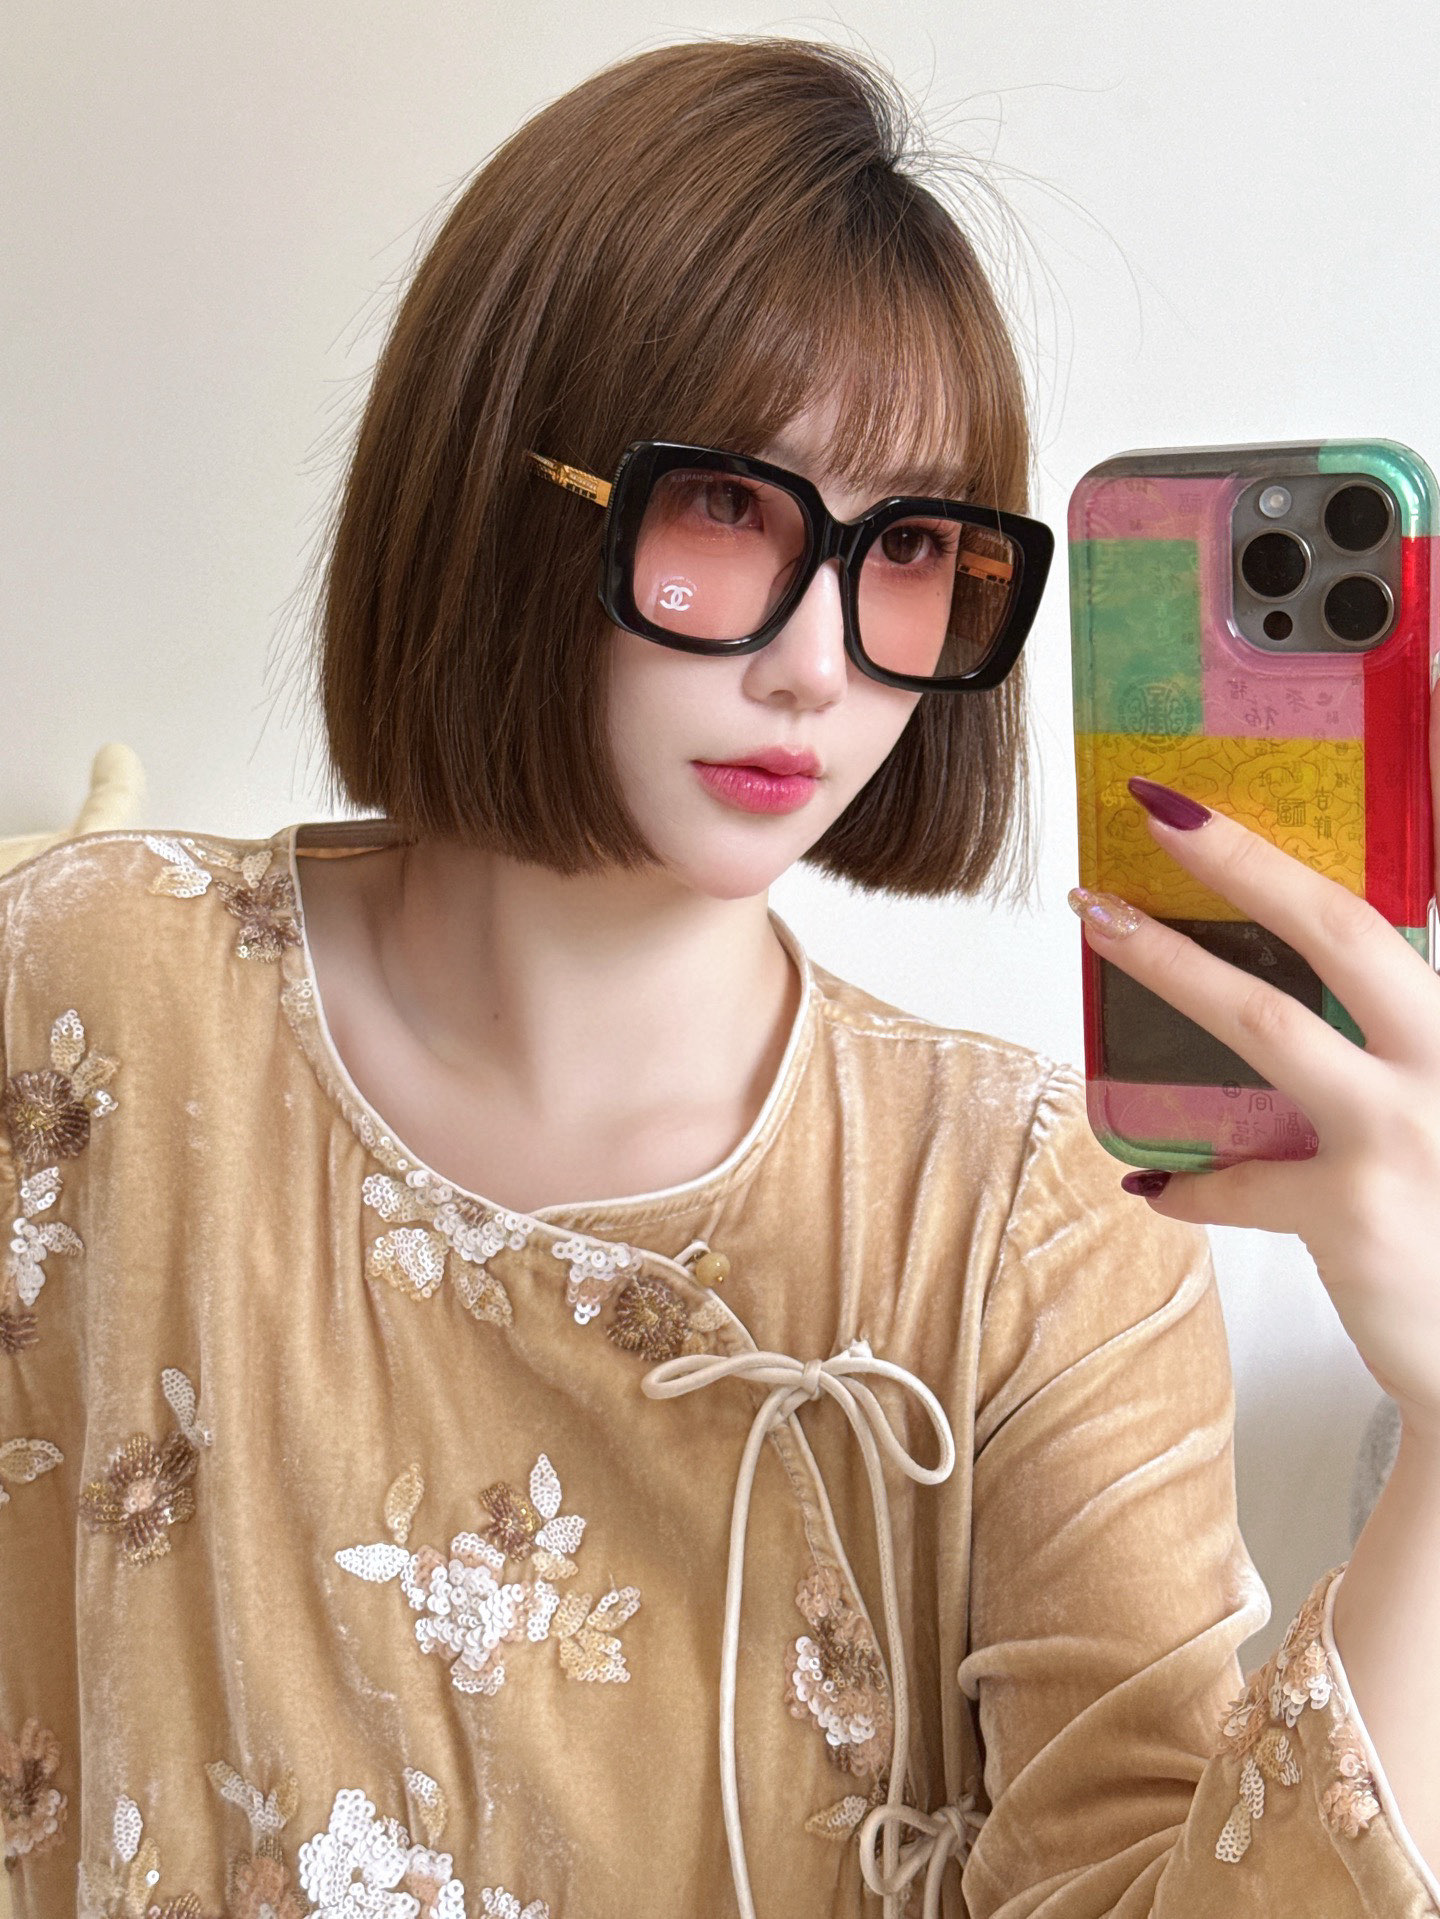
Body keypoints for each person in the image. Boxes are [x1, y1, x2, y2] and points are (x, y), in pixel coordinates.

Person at [2, 32, 1438, 1919]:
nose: (817, 664)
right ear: (500, 480)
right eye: (728, 507)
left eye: (906, 545)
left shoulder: (1026, 1224)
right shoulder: (89, 997)